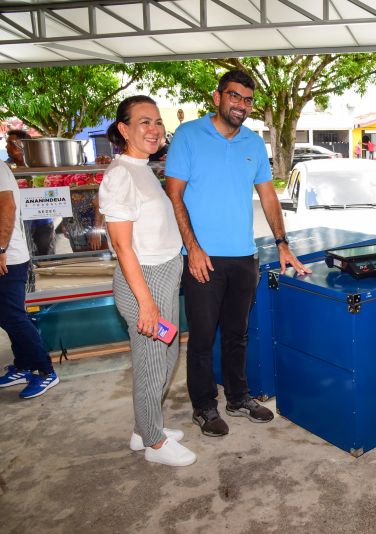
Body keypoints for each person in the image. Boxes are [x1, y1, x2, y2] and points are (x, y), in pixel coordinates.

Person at [166, 70, 308, 438]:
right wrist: (192, 249)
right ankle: (203, 406)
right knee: (201, 338)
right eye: (234, 96)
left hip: (244, 256)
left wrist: (281, 241)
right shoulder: (188, 135)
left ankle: (238, 397)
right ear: (217, 97)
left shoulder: (252, 144)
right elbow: (175, 195)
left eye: (247, 99)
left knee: (237, 333)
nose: (241, 105)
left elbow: (268, 195)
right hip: (203, 257)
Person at [98, 95, 196, 467]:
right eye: (143, 122)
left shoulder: (142, 168)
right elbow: (123, 249)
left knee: (164, 353)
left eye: (157, 122)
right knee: (152, 360)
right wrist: (146, 303)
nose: (154, 129)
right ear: (123, 129)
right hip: (145, 282)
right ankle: (153, 443)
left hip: (163, 276)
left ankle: (144, 428)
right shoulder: (121, 175)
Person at [0, 162, 59, 399]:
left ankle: (45, 371)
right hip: (5, 255)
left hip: (8, 258)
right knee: (6, 316)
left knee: (13, 316)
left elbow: (7, 207)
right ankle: (24, 365)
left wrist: (1, 248)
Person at [6, 129, 57, 256]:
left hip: (43, 221)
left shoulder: (40, 163)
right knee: (24, 257)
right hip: (19, 223)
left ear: (23, 144)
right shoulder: (5, 168)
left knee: (47, 259)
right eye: (7, 143)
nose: (7, 147)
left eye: (12, 143)